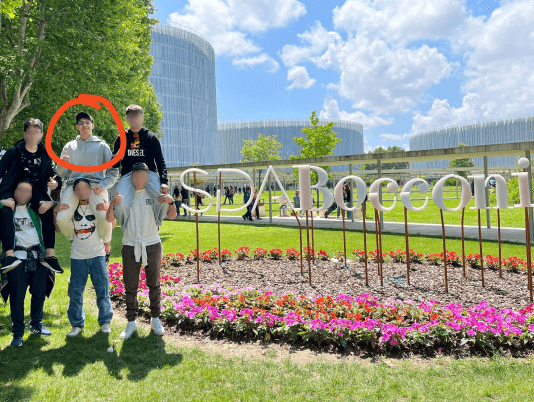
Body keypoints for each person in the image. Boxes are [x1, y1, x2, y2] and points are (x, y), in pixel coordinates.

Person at [106, 162, 176, 340]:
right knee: (130, 286)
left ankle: (155, 319)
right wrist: (112, 204)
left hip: (152, 243)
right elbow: (109, 219)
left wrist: (172, 202)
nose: (140, 180)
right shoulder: (124, 196)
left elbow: (172, 215)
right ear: (131, 177)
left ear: (148, 176)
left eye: (144, 176)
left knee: (154, 284)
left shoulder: (154, 195)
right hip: (130, 244)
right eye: (137, 176)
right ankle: (131, 323)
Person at [0, 118, 63, 274]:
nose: (33, 135)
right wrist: (1, 198)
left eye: (37, 132)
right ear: (25, 133)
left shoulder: (45, 153)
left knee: (47, 210)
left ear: (42, 134)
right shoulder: (13, 152)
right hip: (13, 189)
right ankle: (9, 255)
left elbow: (54, 175)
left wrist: (55, 183)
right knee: (5, 210)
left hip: (36, 191)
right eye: (30, 132)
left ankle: (50, 256)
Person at [56, 112, 119, 264]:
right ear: (77, 127)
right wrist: (62, 163)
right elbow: (60, 173)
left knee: (104, 217)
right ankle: (74, 239)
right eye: (81, 123)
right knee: (61, 218)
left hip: (95, 185)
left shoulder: (102, 146)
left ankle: (107, 246)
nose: (84, 125)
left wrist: (102, 185)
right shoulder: (69, 146)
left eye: (87, 122)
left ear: (93, 125)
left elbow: (113, 172)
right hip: (73, 186)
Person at [54, 178, 114, 337]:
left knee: (103, 289)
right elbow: (59, 228)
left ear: (91, 189)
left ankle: (105, 321)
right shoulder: (71, 209)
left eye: (85, 188)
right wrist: (56, 212)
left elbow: (111, 224)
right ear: (74, 192)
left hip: (97, 254)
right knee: (75, 292)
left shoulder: (98, 206)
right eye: (78, 189)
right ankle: (76, 324)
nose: (82, 192)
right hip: (78, 256)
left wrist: (109, 210)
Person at [0, 180, 57, 347]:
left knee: (39, 293)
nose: (23, 194)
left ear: (32, 195)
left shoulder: (36, 211)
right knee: (17, 297)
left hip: (38, 257)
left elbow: (60, 204)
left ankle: (36, 324)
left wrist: (52, 202)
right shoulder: (7, 210)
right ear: (14, 191)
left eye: (28, 191)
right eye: (20, 190)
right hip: (17, 260)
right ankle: (18, 333)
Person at [111, 104, 169, 225]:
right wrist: (117, 158)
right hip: (128, 174)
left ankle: (156, 224)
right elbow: (114, 165)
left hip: (149, 174)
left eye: (137, 115)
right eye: (131, 116)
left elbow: (160, 161)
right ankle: (126, 226)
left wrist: (164, 181)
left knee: (163, 199)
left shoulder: (151, 137)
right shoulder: (121, 138)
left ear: (142, 117)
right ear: (126, 118)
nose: (135, 118)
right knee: (120, 204)